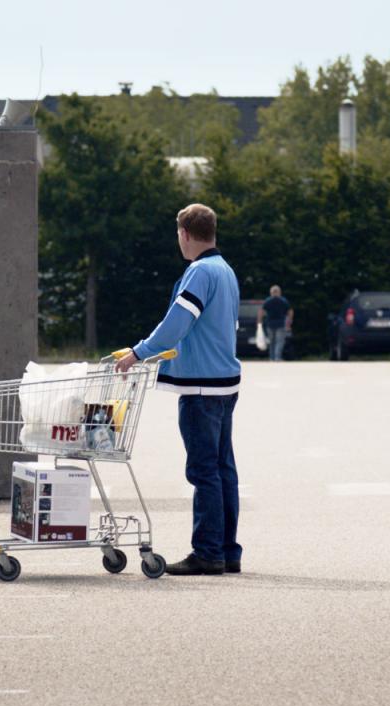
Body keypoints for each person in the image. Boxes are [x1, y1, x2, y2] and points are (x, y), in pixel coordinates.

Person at [115, 204, 242, 576]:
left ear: (185, 234)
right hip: (224, 383)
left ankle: (207, 553)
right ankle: (227, 550)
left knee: (203, 472)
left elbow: (177, 323)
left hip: (201, 387)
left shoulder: (199, 272)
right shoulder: (225, 270)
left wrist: (138, 353)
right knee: (222, 470)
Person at [258, 285, 293, 361]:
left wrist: (259, 322)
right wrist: (289, 322)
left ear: (271, 292)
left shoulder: (268, 301)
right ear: (279, 292)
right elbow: (290, 311)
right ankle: (277, 358)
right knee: (279, 341)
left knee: (272, 342)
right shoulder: (283, 301)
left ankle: (272, 358)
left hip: (269, 324)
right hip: (280, 324)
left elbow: (261, 311)